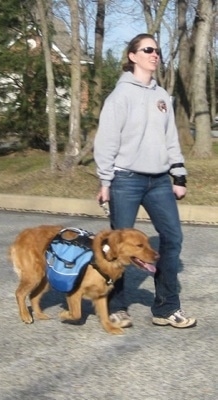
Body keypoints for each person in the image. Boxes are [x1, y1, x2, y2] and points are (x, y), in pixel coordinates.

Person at [93, 33, 197, 329]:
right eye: (148, 50)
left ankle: (166, 308)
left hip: (160, 181)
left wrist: (178, 175)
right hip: (125, 180)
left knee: (173, 238)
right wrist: (105, 181)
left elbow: (170, 139)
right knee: (115, 247)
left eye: (158, 50)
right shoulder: (119, 96)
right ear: (133, 56)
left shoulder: (162, 96)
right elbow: (107, 142)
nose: (155, 55)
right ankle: (117, 306)